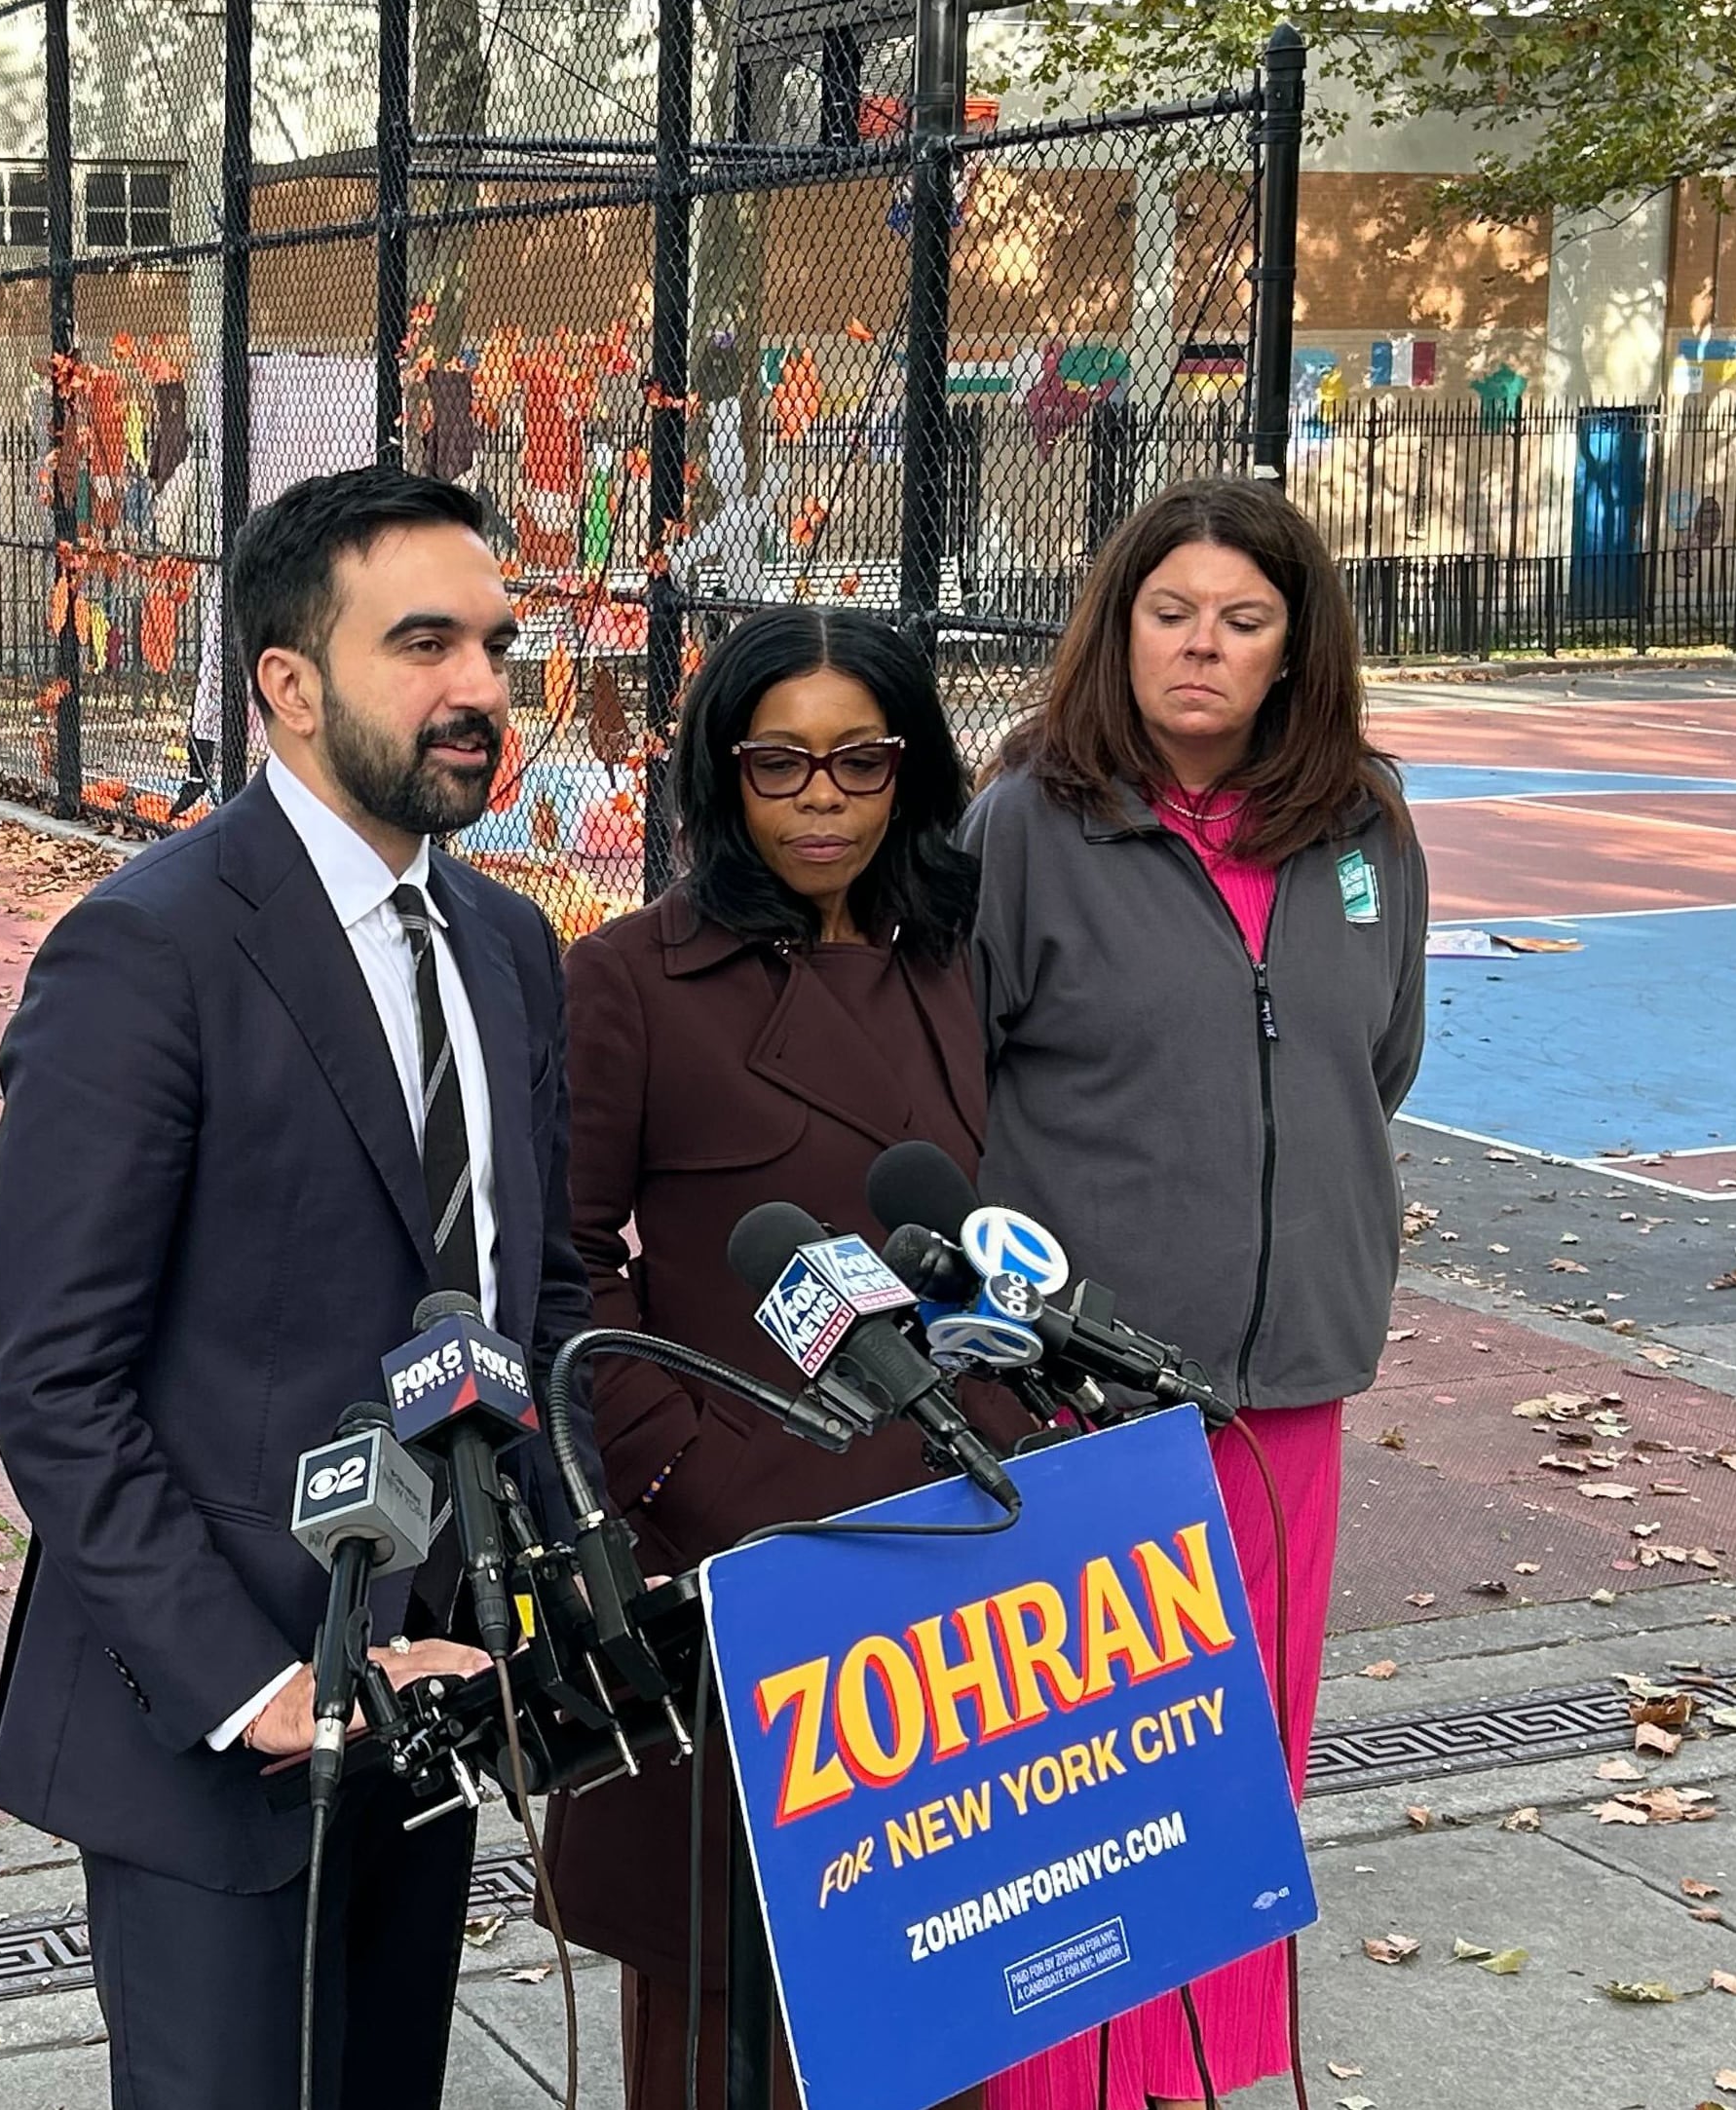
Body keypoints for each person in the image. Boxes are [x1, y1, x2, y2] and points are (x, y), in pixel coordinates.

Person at [0, 465, 594, 2110]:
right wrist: (260, 1690)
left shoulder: (507, 946)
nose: (478, 687)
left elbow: (526, 1291)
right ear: (286, 683)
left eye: (492, 643)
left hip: (440, 1691)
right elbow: (51, 1380)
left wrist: (551, 1578)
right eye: (423, 645)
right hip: (217, 1724)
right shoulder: (147, 952)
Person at [963, 479, 1427, 2110]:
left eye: (1242, 621)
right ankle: (1058, 2073)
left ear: (1292, 647)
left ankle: (1195, 2066)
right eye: (1172, 615)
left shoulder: (1360, 822)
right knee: (1087, 1760)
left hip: (1287, 1374)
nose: (1203, 650)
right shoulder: (1026, 820)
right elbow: (964, 1080)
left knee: (1239, 1765)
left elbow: (1377, 1053)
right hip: (1085, 1392)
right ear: (1118, 625)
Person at [539, 607, 990, 2110]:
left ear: (907, 774)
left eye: (858, 760)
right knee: (719, 1995)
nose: (819, 798)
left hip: (947, 1542)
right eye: (777, 761)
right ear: (719, 777)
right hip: (734, 1549)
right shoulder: (633, 980)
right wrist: (678, 1461)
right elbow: (562, 1256)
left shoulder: (950, 966)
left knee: (935, 1957)